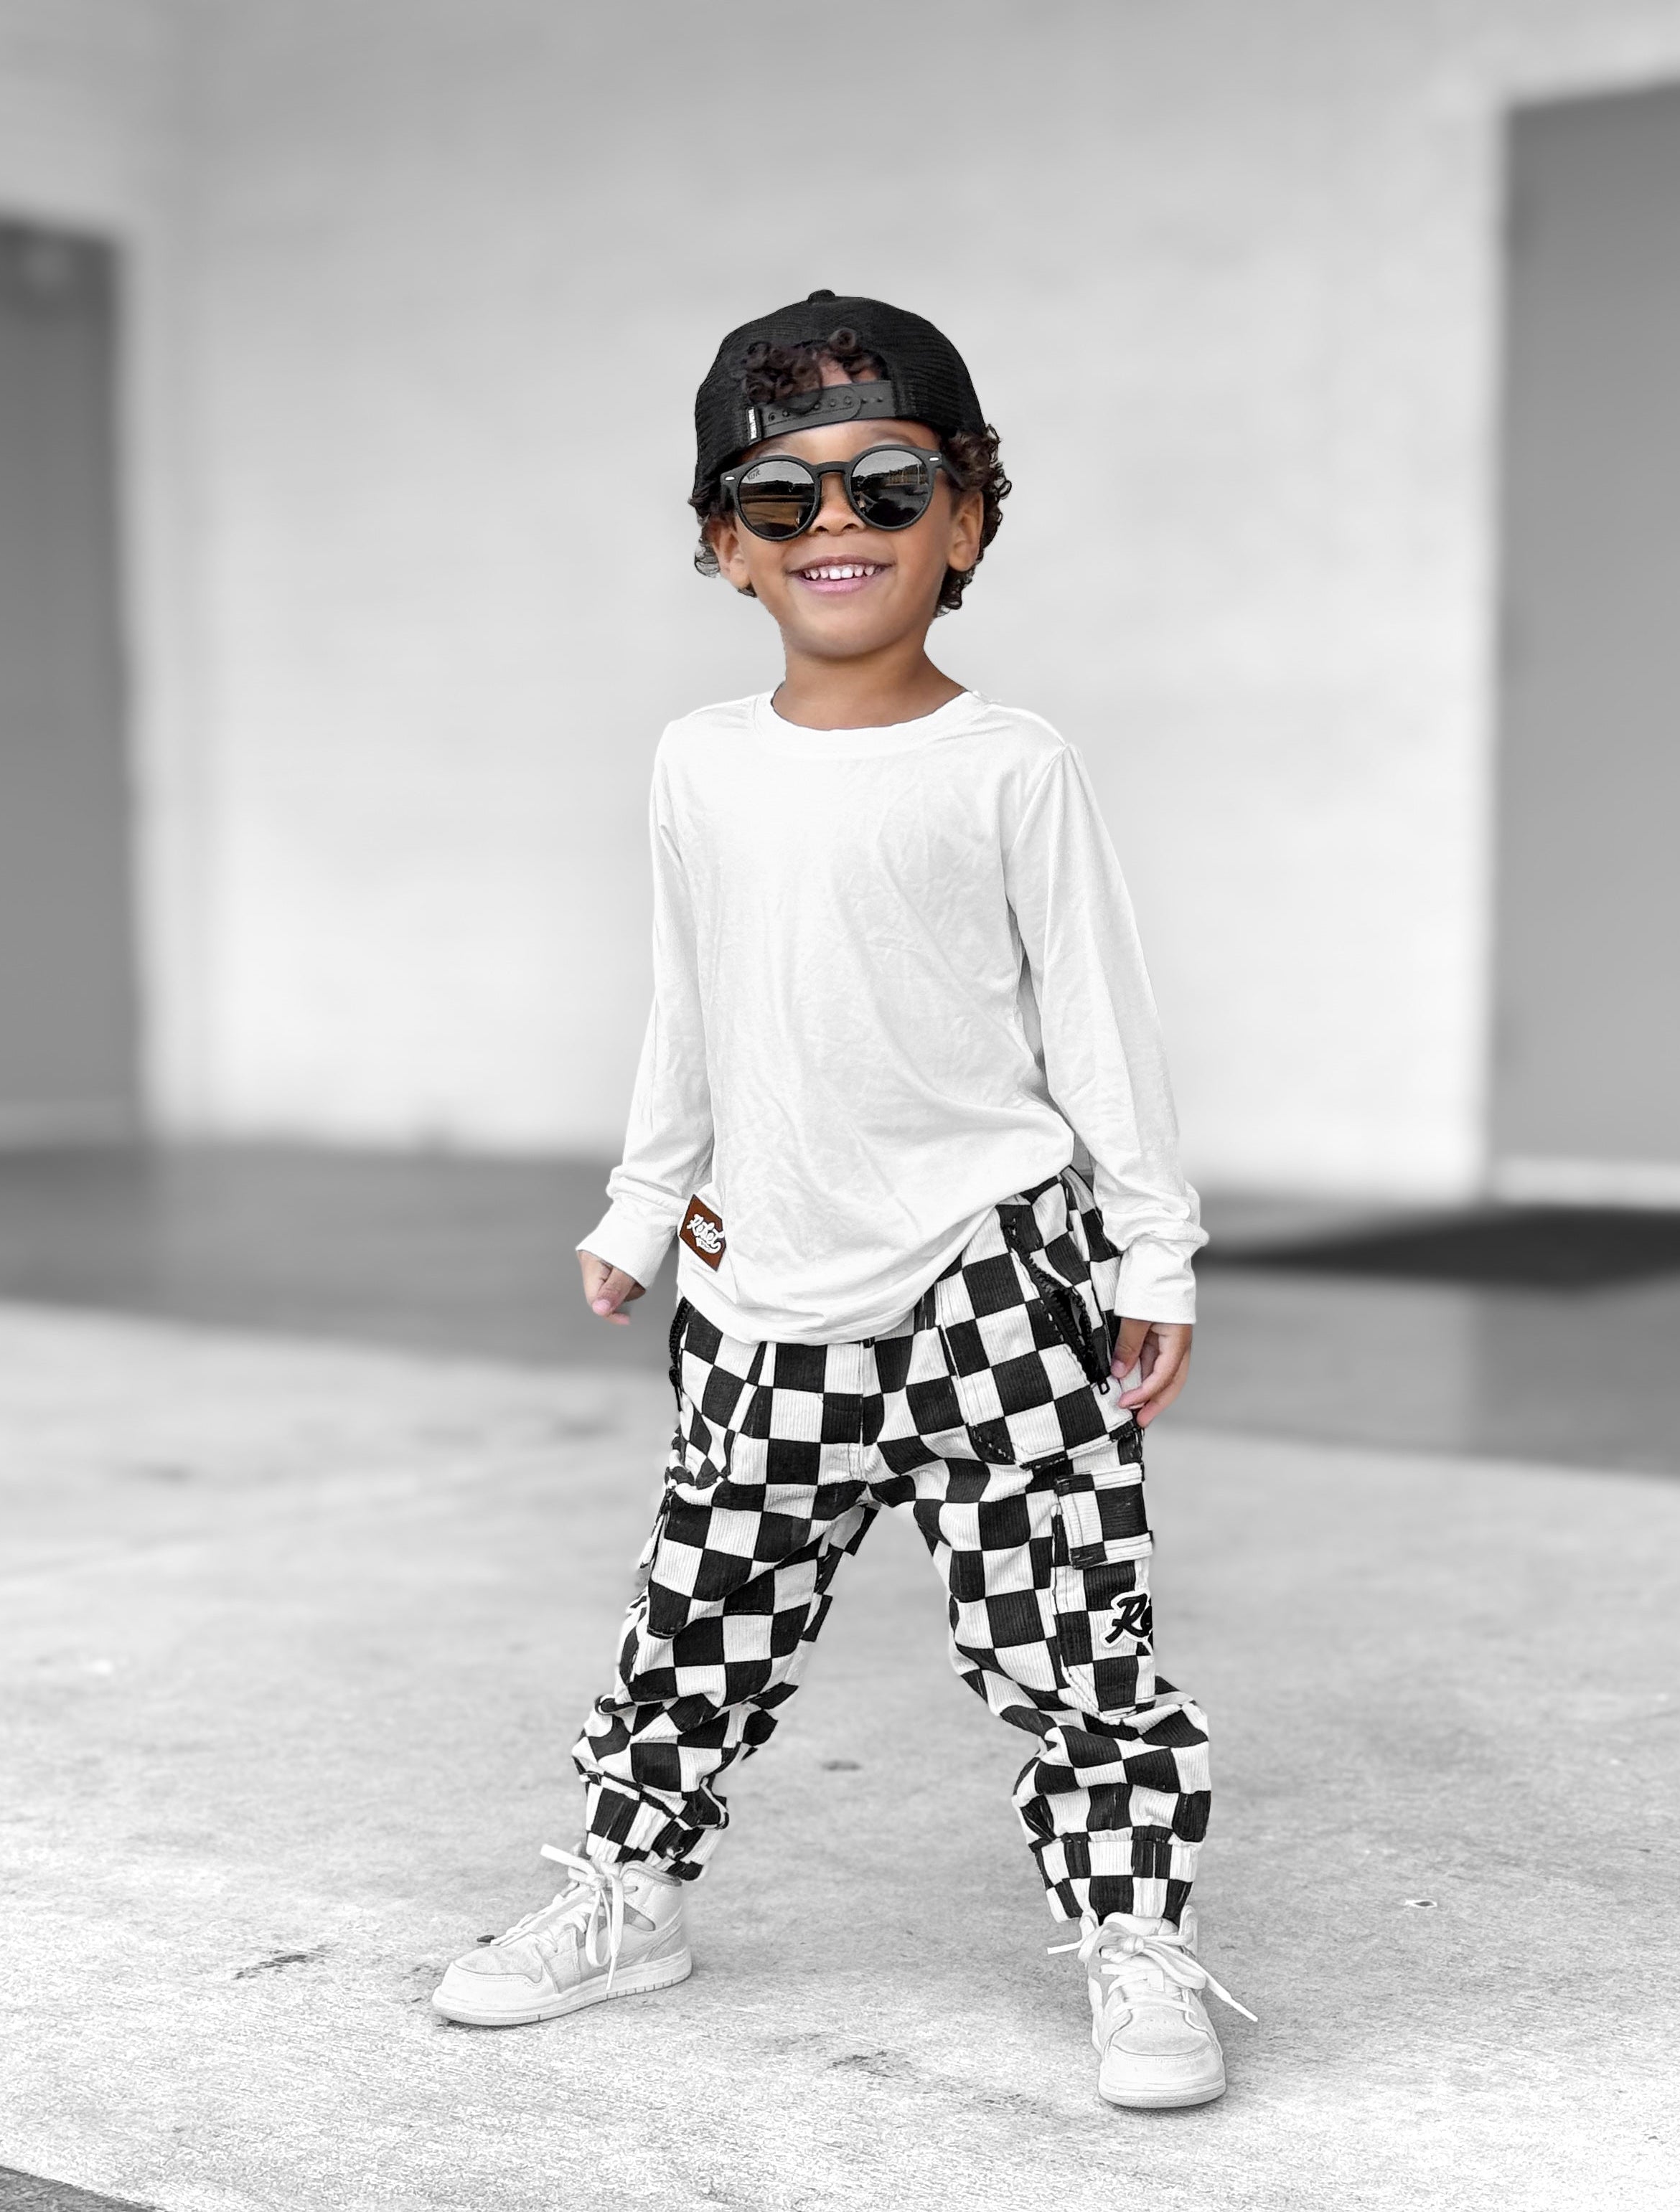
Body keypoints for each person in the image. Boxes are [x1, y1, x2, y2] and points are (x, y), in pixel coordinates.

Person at [431, 291, 1251, 2107]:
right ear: (723, 544)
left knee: (1068, 1634)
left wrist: (1156, 1247)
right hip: (764, 1280)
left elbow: (1101, 1020)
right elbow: (691, 1002)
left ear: (967, 518)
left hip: (994, 1278)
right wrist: (643, 1201)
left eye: (887, 488)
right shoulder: (699, 762)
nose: (835, 527)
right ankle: (627, 1897)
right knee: (698, 1616)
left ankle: (1136, 1939)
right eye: (779, 495)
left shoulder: (1013, 765)